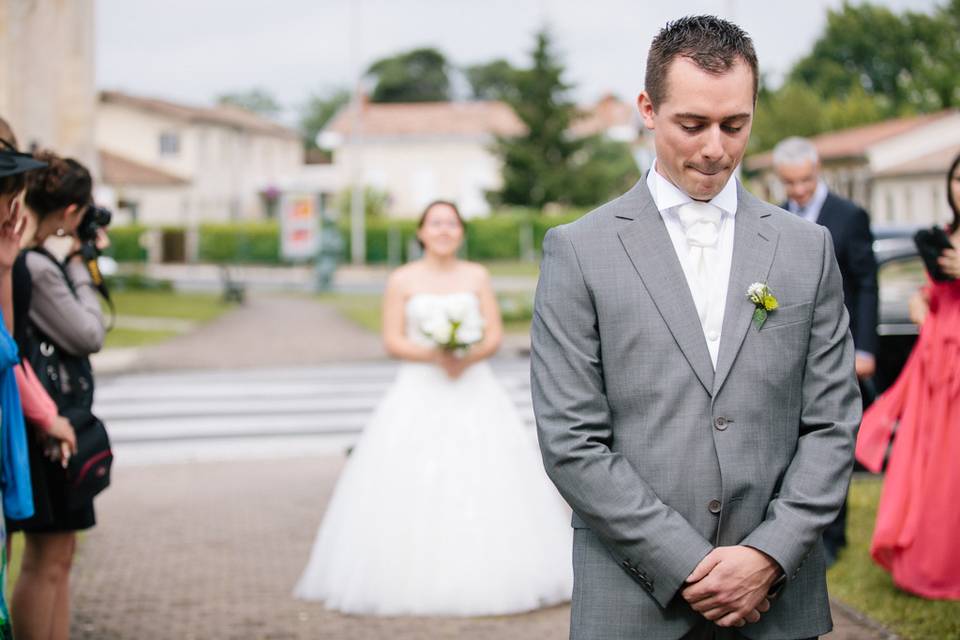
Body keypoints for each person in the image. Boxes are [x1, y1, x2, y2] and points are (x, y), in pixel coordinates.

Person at [531, 15, 860, 640]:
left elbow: (833, 421)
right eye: (693, 124)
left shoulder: (806, 248)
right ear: (648, 109)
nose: (716, 148)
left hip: (776, 603)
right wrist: (686, 564)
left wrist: (768, 554)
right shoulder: (578, 250)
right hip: (633, 602)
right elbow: (571, 440)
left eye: (735, 125)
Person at [294, 200, 572, 616]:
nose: (444, 230)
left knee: (488, 475)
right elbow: (393, 339)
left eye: (451, 223)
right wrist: (437, 355)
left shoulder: (476, 275)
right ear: (421, 232)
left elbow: (493, 334)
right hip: (420, 386)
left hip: (474, 386)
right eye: (435, 223)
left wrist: (466, 354)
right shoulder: (402, 279)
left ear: (460, 232)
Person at [7, 150, 107, 640]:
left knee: (61, 555)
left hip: (56, 410)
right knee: (46, 556)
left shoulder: (28, 259)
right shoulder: (38, 265)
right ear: (71, 212)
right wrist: (83, 268)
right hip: (48, 417)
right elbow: (89, 333)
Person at [855, 152, 960, 600]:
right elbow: (935, 293)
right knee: (931, 463)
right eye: (957, 179)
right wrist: (923, 301)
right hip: (935, 360)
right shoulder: (944, 236)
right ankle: (930, 559)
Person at [772, 136, 879, 565]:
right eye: (790, 183)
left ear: (817, 171)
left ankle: (834, 538)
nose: (798, 190)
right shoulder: (776, 218)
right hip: (790, 350)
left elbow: (867, 283)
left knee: (832, 440)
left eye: (805, 180)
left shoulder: (850, 216)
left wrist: (865, 348)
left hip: (841, 348)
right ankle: (800, 532)